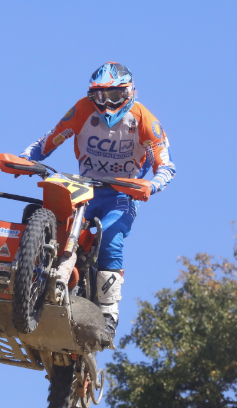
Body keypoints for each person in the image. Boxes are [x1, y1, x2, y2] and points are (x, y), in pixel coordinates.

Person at [19, 62, 176, 342]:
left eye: (114, 96)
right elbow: (49, 141)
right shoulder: (81, 110)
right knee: (50, 218)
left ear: (128, 93)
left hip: (122, 193)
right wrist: (26, 159)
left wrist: (151, 185)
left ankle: (108, 315)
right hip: (84, 187)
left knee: (111, 238)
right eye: (99, 96)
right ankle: (26, 282)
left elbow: (166, 166)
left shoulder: (144, 119)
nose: (106, 104)